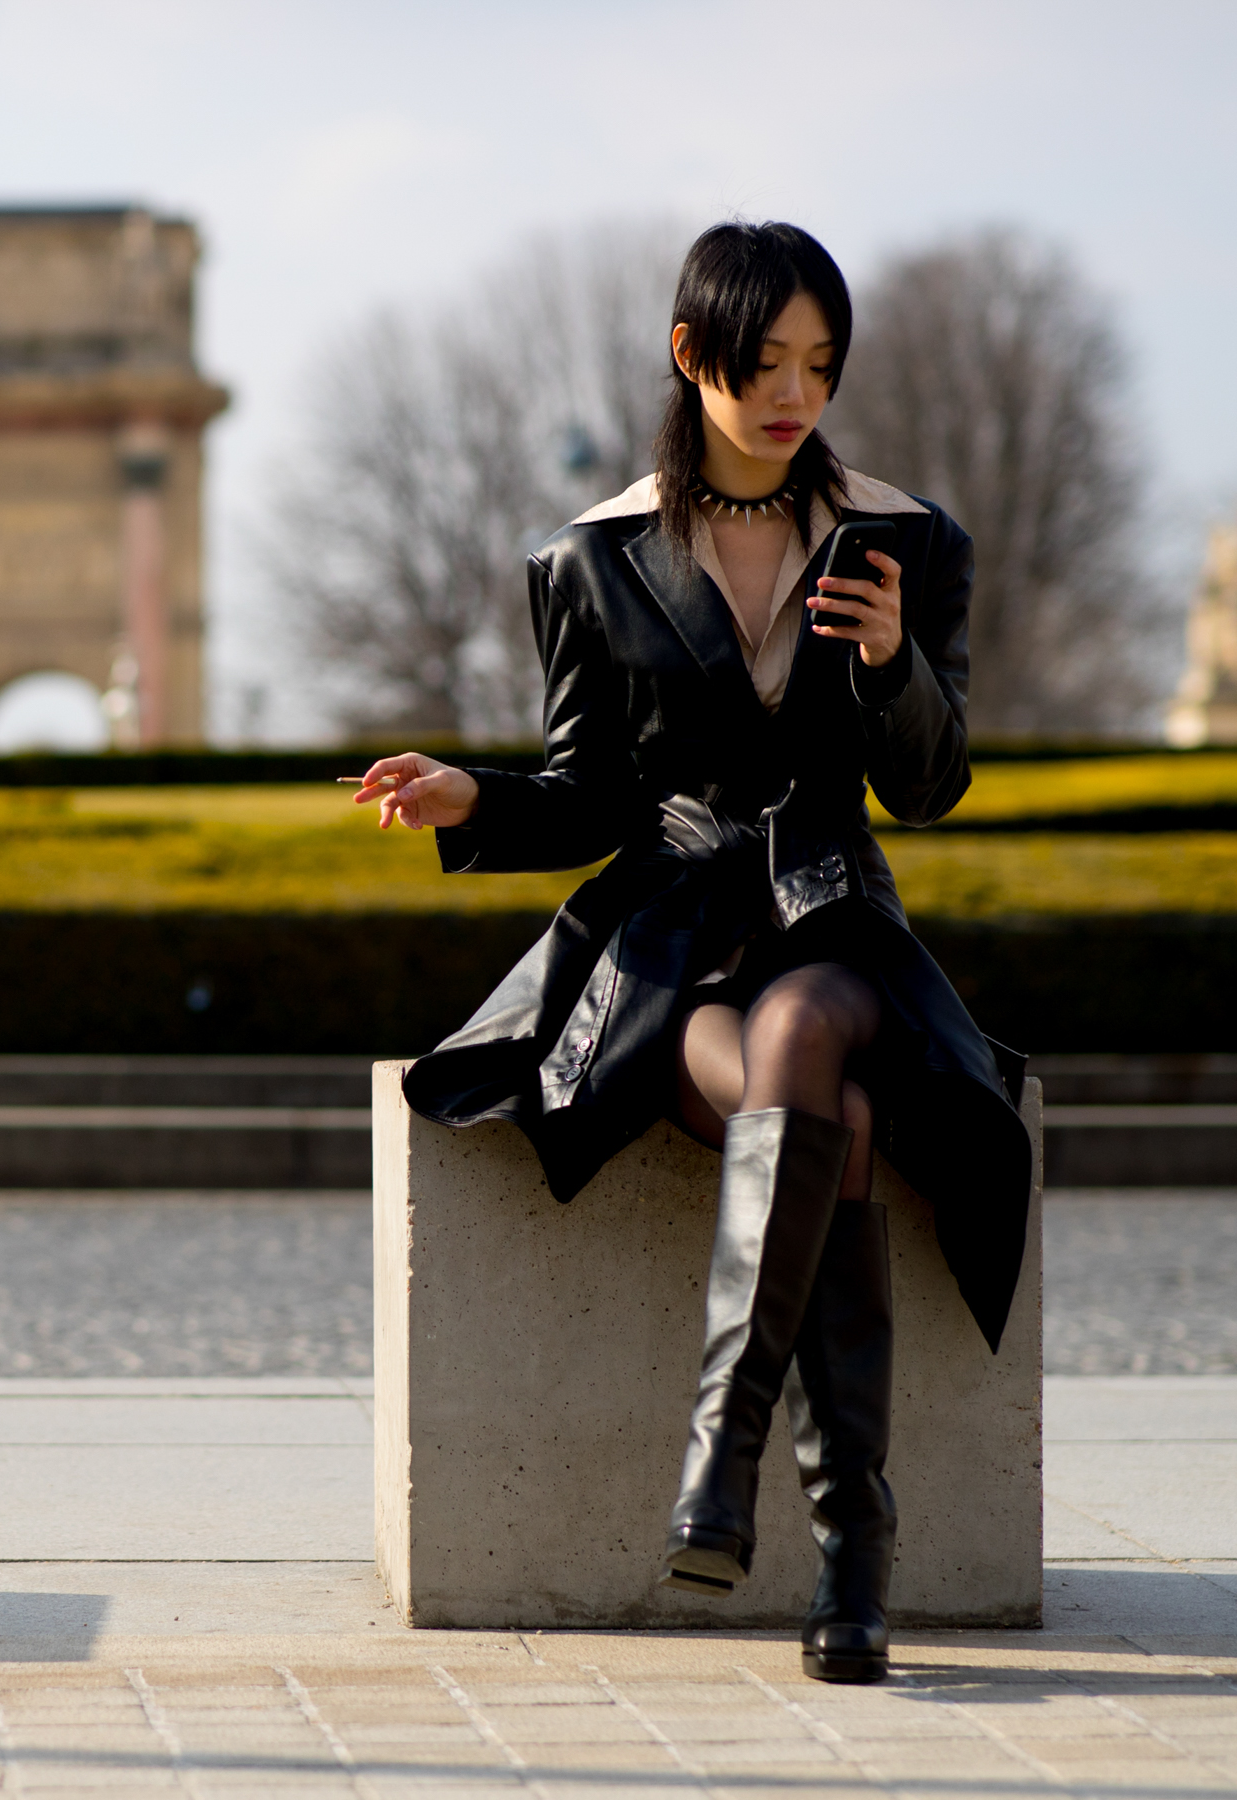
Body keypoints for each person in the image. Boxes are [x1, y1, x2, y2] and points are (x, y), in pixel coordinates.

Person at [349, 221, 1031, 1685]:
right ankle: (853, 1549)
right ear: (690, 352)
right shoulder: (590, 559)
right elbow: (592, 794)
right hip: (672, 946)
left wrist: (894, 664)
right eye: (766, 360)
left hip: (840, 932)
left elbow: (933, 782)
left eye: (821, 365)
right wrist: (478, 798)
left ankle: (722, 1456)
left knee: (811, 1046)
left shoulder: (907, 542)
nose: (796, 394)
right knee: (824, 1120)